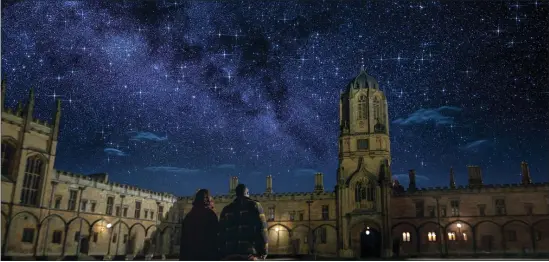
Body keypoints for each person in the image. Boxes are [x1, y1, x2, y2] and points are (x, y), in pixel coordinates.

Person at [219, 184, 268, 260]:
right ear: (247, 193)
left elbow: (221, 232)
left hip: (230, 253)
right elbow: (262, 229)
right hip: (249, 253)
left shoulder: (226, 209)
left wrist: (222, 253)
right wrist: (264, 251)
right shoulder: (255, 205)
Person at [179, 189, 219, 261]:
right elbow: (215, 238)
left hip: (190, 256)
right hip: (206, 256)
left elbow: (183, 242)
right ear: (207, 200)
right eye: (211, 200)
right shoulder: (210, 215)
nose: (213, 203)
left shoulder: (188, 217)